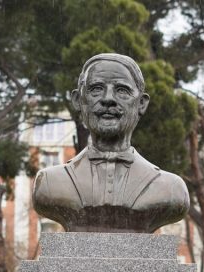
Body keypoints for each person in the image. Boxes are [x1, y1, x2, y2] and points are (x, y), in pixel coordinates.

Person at [32, 53, 189, 233]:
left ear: (142, 104)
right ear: (78, 100)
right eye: (96, 89)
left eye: (122, 90)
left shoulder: (171, 189)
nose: (108, 99)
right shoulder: (50, 184)